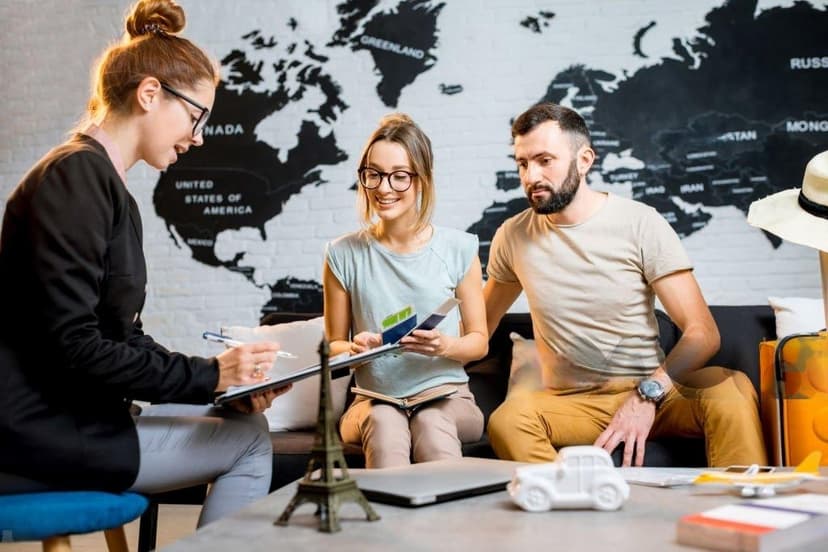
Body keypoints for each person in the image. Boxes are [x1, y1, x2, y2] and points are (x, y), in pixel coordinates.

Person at [0, 0, 290, 526]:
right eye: (197, 116)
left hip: (73, 417)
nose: (198, 136)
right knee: (249, 444)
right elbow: (75, 346)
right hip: (44, 431)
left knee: (242, 422)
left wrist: (222, 382)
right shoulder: (76, 178)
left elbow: (121, 337)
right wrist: (208, 374)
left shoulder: (105, 186)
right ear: (150, 94)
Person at [484, 102, 767, 467]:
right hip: (572, 404)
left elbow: (703, 333)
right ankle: (571, 494)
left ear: (584, 160)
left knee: (730, 389)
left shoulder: (641, 223)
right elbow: (478, 327)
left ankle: (743, 499)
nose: (531, 176)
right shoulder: (512, 236)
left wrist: (646, 396)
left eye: (544, 160)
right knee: (508, 421)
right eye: (522, 163)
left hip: (657, 393)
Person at [323, 113, 488, 468]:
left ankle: (445, 505)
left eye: (399, 176)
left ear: (422, 179)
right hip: (372, 400)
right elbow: (333, 346)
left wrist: (445, 346)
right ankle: (390, 509)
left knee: (431, 423)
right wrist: (354, 349)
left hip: (447, 396)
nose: (384, 188)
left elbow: (479, 341)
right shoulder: (342, 254)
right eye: (374, 174)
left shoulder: (459, 249)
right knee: (385, 425)